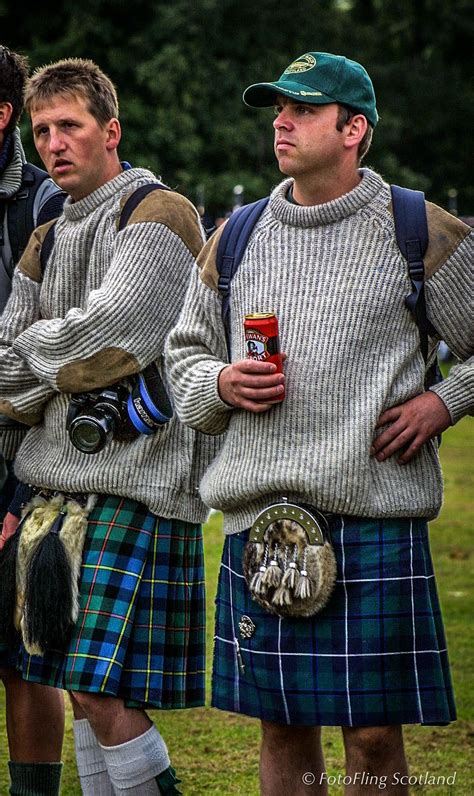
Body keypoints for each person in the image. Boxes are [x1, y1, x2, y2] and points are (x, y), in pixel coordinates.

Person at [166, 51, 473, 794]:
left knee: (371, 736)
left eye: (302, 108)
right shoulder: (235, 236)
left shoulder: (418, 230)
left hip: (373, 520)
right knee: (282, 725)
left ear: (353, 127)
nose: (281, 121)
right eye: (278, 107)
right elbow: (184, 357)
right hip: (261, 522)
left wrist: (444, 401)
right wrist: (221, 382)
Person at [0, 57, 219, 795]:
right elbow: (5, 371)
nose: (55, 142)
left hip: (140, 484)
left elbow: (116, 335)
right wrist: (48, 361)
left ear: (111, 131)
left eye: (71, 126)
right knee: (87, 697)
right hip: (54, 495)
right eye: (43, 130)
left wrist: (35, 355)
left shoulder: (159, 213)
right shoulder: (47, 235)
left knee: (98, 694)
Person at [0, 44, 66, 796]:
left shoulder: (44, 203)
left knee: (23, 651)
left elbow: (58, 346)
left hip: (20, 452)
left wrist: (21, 490)